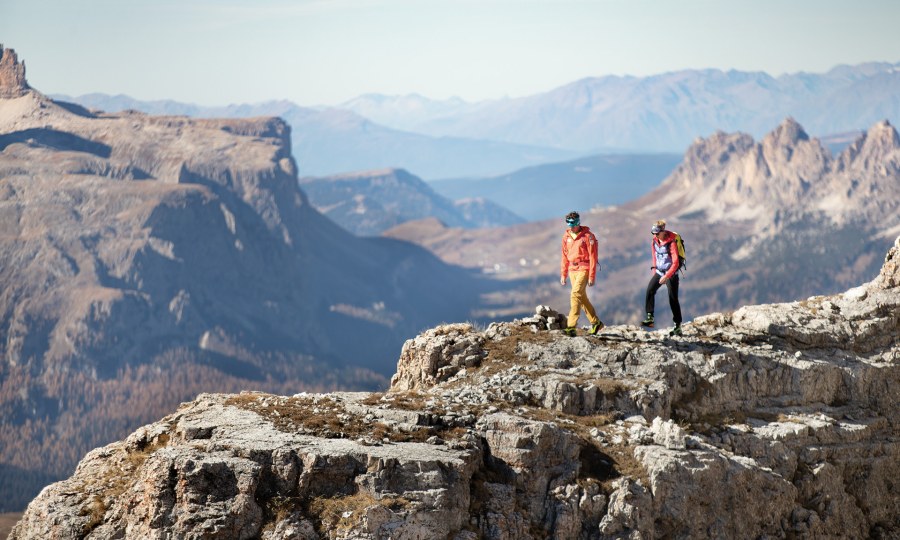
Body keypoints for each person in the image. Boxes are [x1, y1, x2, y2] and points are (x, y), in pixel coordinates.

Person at [560, 211, 604, 336]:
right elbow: (564, 256)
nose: (571, 226)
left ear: (578, 222)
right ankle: (596, 323)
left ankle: (571, 326)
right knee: (582, 297)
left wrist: (592, 276)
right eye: (569, 224)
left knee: (575, 294)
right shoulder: (566, 236)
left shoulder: (588, 236)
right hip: (572, 270)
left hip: (584, 268)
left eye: (573, 223)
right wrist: (563, 274)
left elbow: (593, 257)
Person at [641, 219, 683, 335]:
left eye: (657, 233)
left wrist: (667, 276)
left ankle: (677, 325)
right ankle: (650, 318)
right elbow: (654, 256)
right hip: (659, 272)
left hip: (671, 273)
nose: (655, 235)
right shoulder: (654, 241)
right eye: (653, 233)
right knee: (650, 290)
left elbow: (676, 263)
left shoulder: (671, 243)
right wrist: (655, 270)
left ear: (663, 231)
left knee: (673, 299)